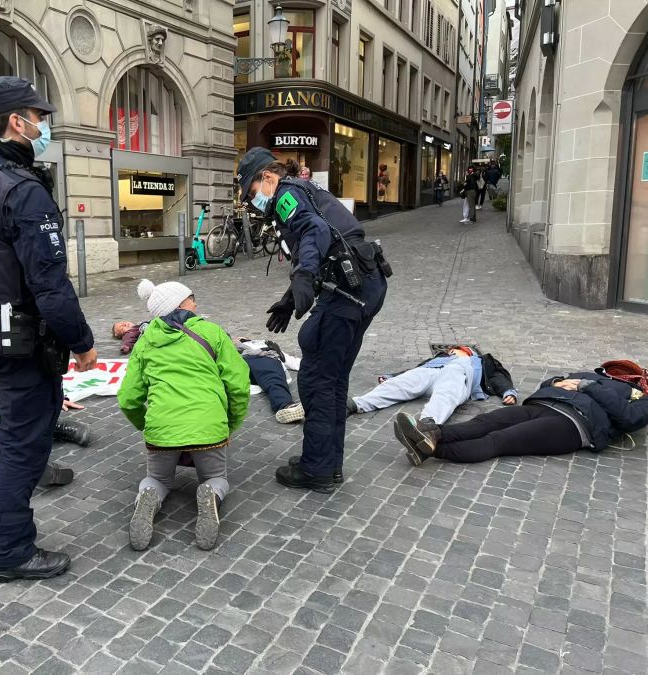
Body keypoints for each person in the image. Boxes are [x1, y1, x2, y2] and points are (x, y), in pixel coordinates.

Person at [0, 76, 98, 583]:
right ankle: (10, 551)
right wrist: (82, 342)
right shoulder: (22, 189)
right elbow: (49, 283)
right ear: (17, 121)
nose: (45, 125)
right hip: (19, 340)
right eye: (40, 116)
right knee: (26, 447)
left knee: (8, 434)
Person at [236, 147, 388, 492]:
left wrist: (303, 276)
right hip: (364, 285)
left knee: (317, 377)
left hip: (349, 292)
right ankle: (328, 463)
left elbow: (315, 232)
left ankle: (317, 468)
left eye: (252, 192)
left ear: (268, 178)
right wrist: (290, 300)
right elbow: (326, 245)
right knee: (333, 379)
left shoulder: (287, 195)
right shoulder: (302, 190)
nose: (251, 201)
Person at [118, 279, 249, 551]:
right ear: (180, 305)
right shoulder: (212, 332)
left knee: (159, 479)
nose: (196, 303)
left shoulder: (145, 342)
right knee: (216, 477)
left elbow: (129, 398)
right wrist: (230, 423)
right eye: (192, 298)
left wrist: (148, 426)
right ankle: (211, 493)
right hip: (208, 425)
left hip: (161, 429)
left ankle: (148, 495)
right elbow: (238, 383)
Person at [394, 368, 648, 466]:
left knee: (498, 440)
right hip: (546, 402)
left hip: (574, 424)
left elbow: (629, 419)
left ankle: (432, 450)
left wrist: (586, 387)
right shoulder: (596, 375)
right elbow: (552, 381)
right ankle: (431, 433)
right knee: (485, 421)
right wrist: (559, 382)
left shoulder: (642, 398)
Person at [349, 346, 517, 424]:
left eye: (457, 349)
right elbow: (412, 371)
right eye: (451, 349)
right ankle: (356, 404)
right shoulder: (437, 359)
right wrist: (392, 376)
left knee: (447, 392)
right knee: (401, 383)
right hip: (430, 371)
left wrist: (507, 391)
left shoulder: (479, 360)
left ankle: (428, 424)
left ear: (469, 351)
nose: (452, 350)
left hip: (458, 372)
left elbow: (497, 375)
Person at [233, 336, 303, 423]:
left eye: (241, 338)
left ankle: (286, 407)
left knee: (272, 378)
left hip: (264, 359)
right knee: (272, 376)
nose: (238, 338)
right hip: (241, 361)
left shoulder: (268, 347)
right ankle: (286, 406)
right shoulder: (227, 345)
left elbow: (294, 362)